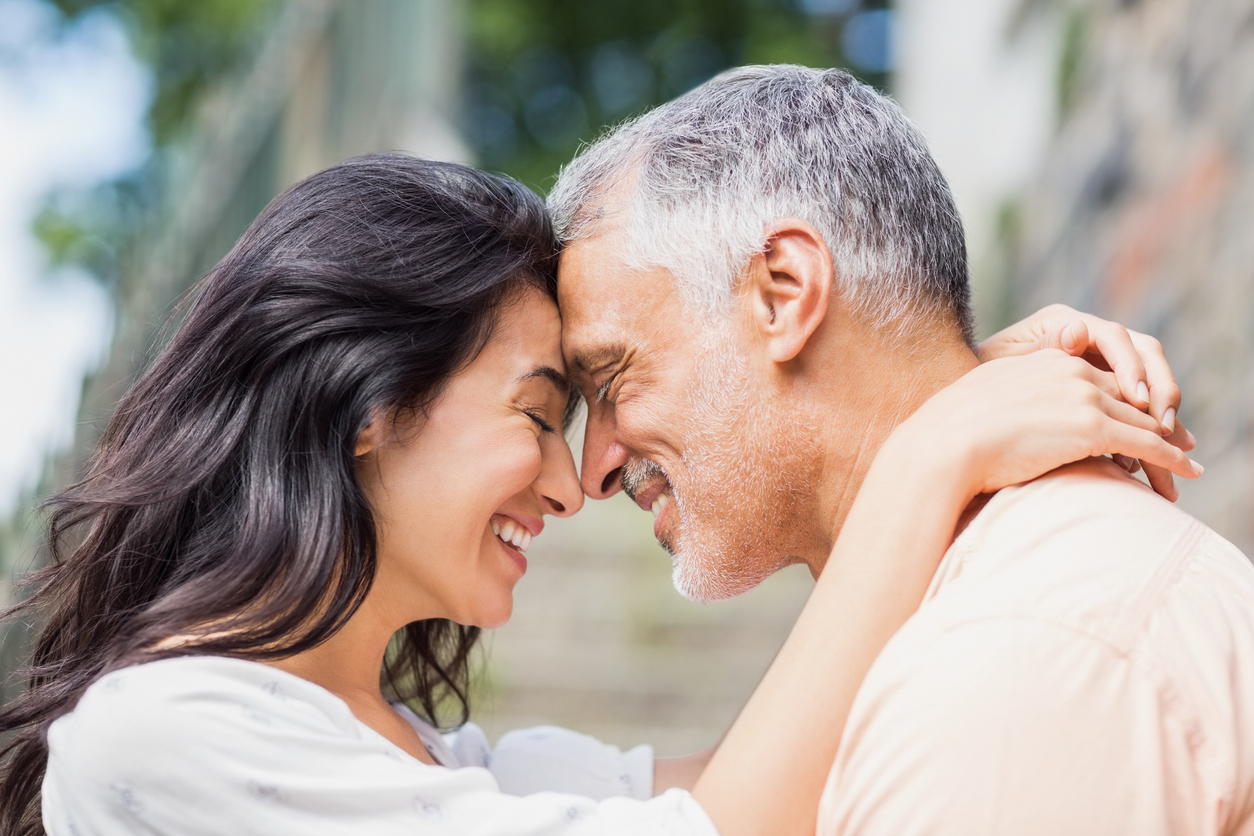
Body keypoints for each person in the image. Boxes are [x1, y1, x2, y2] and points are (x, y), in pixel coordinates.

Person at [0, 153, 1196, 836]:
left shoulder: (437, 758)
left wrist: (935, 380)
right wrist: (935, 448)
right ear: (368, 405)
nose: (576, 484)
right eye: (538, 412)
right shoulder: (162, 733)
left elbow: (769, 780)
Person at [547, 64, 1254, 836]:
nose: (594, 469)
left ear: (784, 292)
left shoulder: (1001, 668)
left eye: (611, 377)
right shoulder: (999, 620)